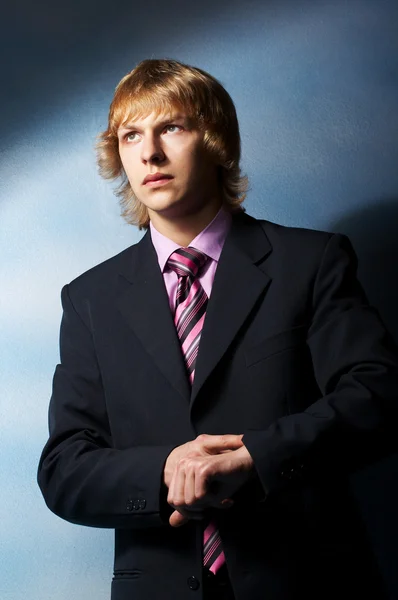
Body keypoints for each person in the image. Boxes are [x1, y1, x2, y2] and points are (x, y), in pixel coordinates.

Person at [37, 58, 398, 600]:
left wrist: (257, 456)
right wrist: (165, 468)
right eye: (131, 135)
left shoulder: (311, 262)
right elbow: (64, 469)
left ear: (215, 140)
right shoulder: (89, 299)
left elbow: (379, 395)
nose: (149, 153)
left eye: (171, 128)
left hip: (308, 582)